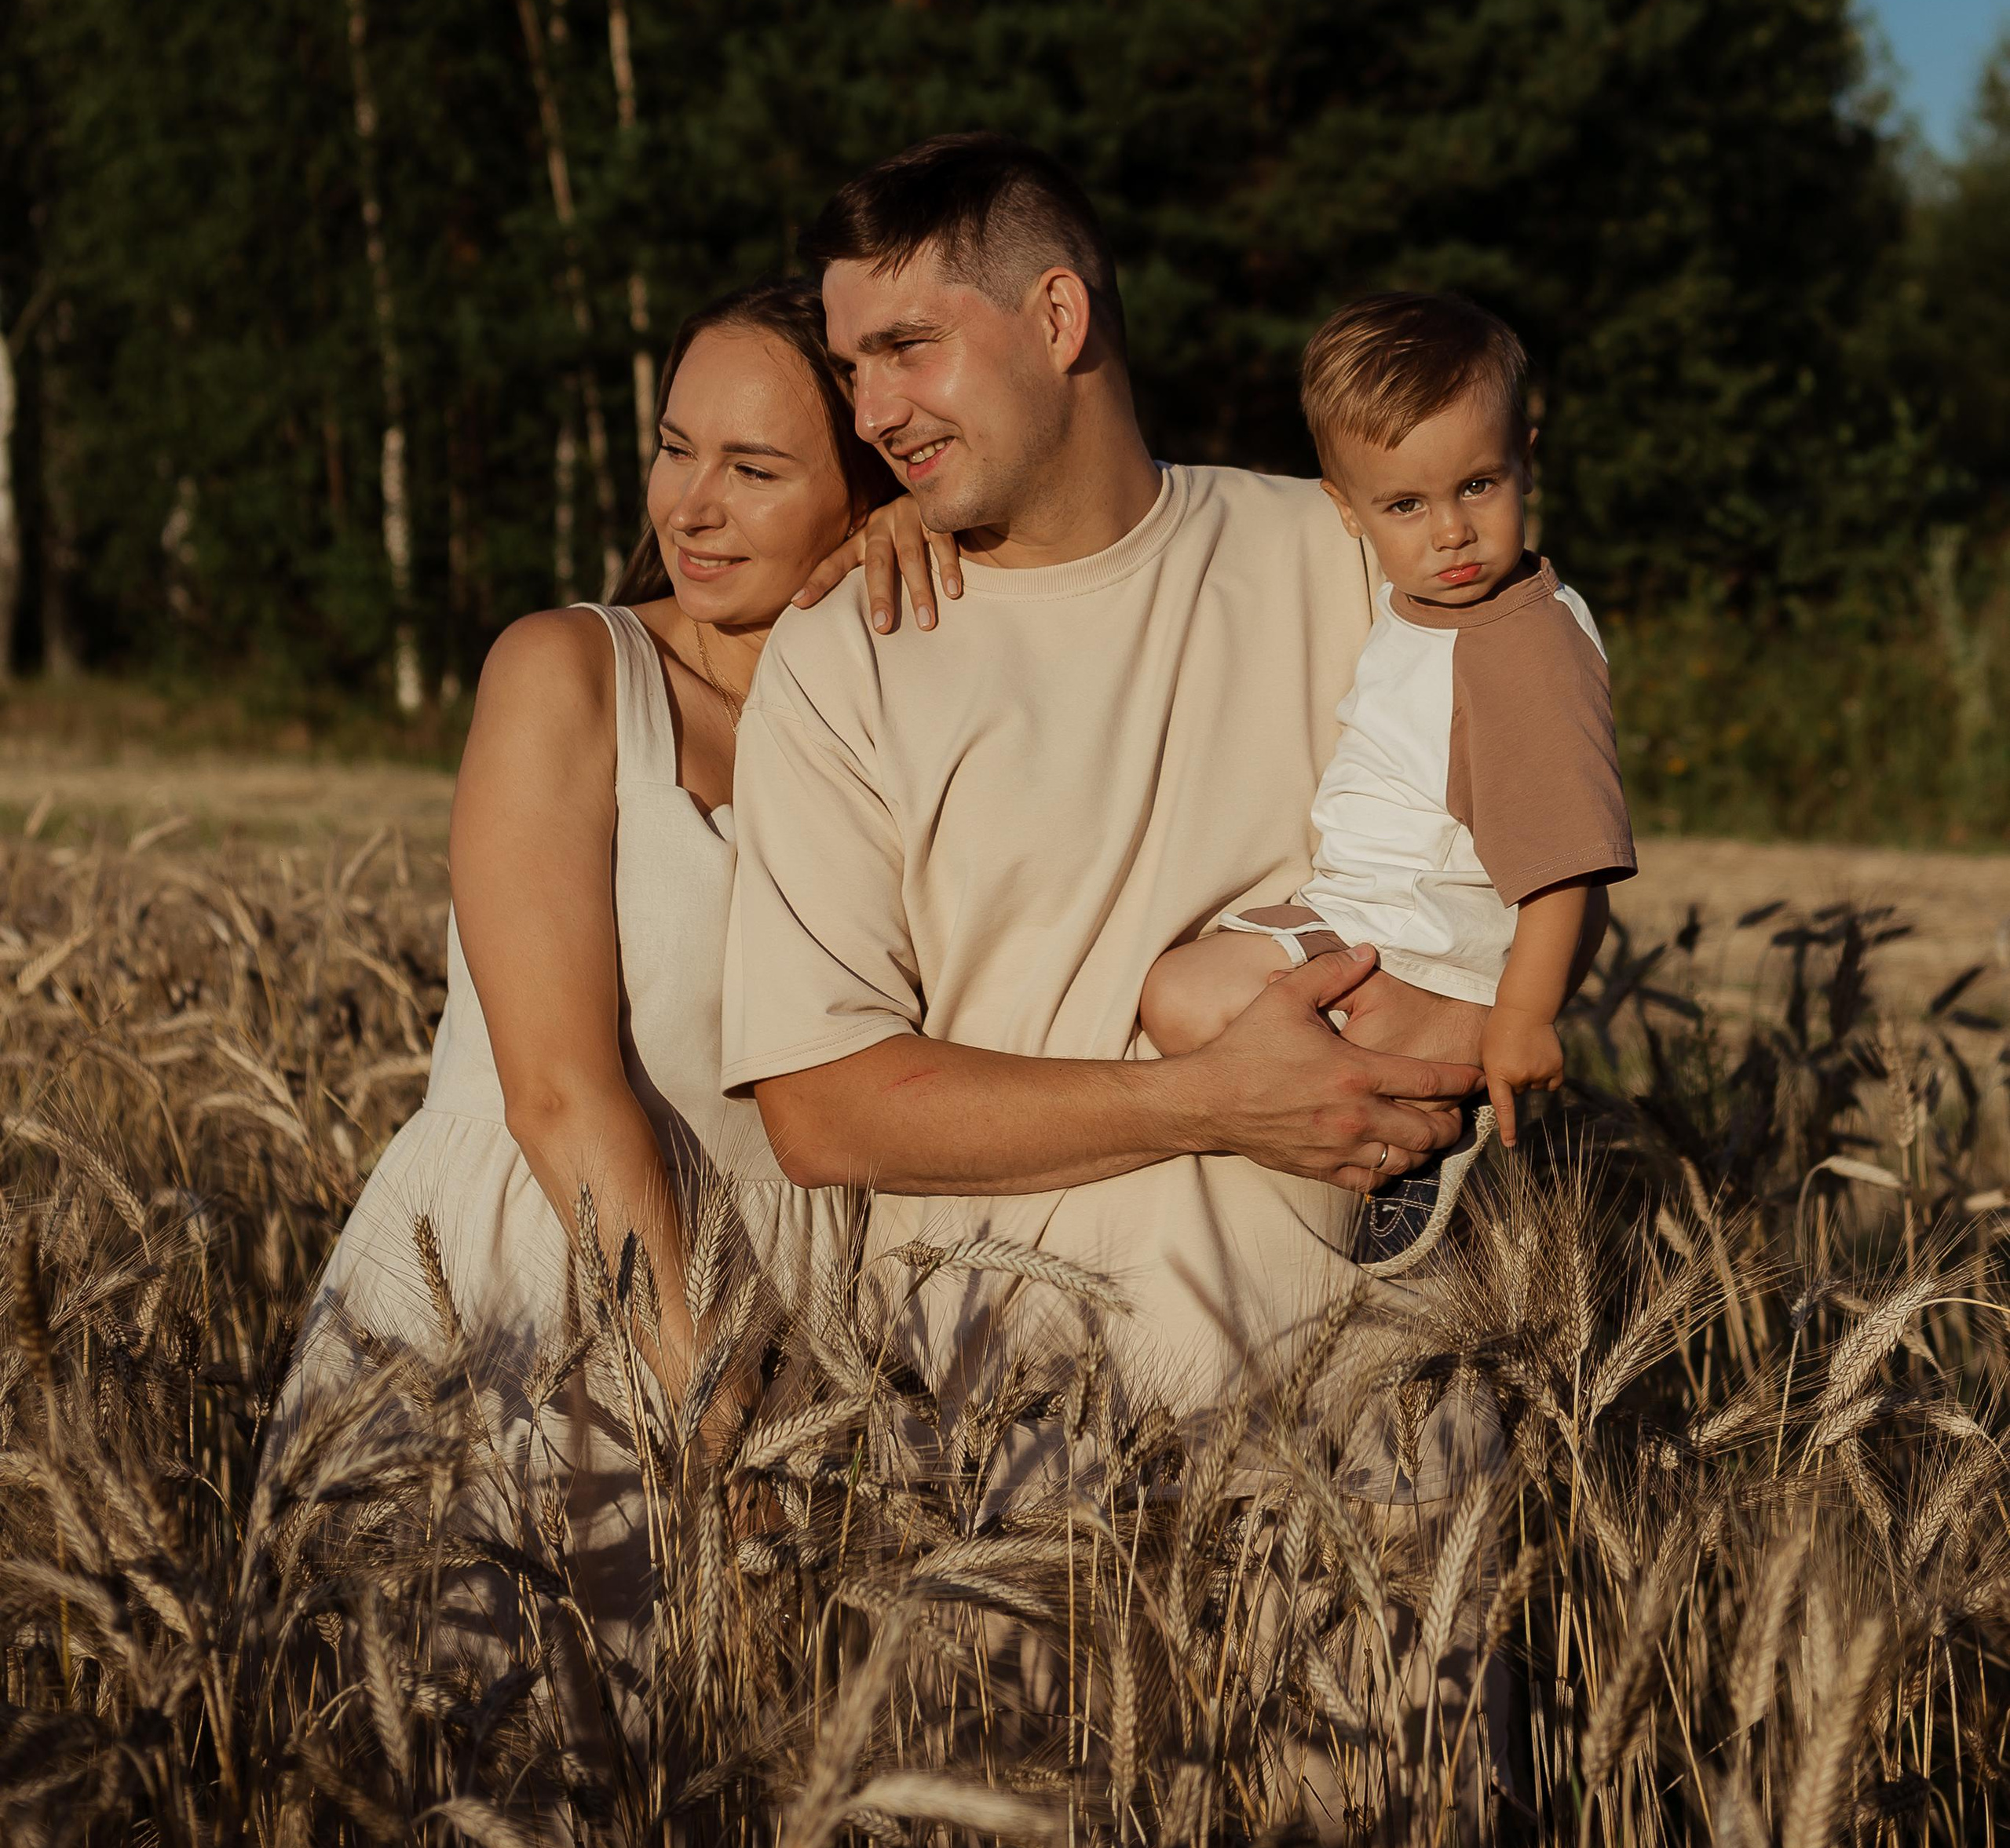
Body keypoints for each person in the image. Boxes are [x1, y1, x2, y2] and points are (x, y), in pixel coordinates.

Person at [722, 133, 1485, 1408]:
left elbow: (1545, 820)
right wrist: (1206, 1101)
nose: (869, 413)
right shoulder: (846, 651)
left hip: (1371, 1439)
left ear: (1059, 315)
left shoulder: (1348, 556)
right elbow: (822, 1110)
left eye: (909, 348)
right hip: (1011, 1477)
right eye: (852, 368)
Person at [291, 278, 897, 1674]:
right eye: (676, 447)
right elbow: (560, 1091)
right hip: (556, 1295)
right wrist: (717, 1418)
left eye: (755, 469)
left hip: (816, 1313)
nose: (691, 505)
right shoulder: (569, 671)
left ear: (867, 492)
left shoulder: (891, 715)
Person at [1139, 291, 1632, 1265]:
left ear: (1526, 460)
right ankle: (1391, 1100)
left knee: (1183, 1001)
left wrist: (1519, 1020)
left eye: (1478, 488)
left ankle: (1426, 1103)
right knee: (1184, 998)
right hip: (1370, 910)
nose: (1447, 533)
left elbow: (1565, 863)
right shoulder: (1437, 605)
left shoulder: (1520, 648)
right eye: (1405, 505)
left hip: (1417, 939)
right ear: (1345, 508)